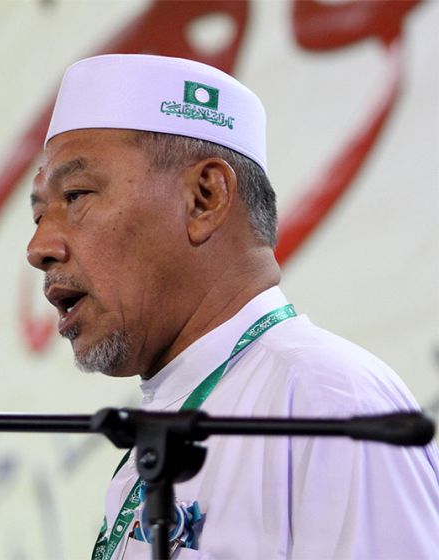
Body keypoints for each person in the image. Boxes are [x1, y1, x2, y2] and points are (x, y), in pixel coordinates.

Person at [27, 54, 439, 559]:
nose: (39, 247)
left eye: (76, 194)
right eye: (38, 215)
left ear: (204, 198)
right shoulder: (171, 414)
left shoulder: (325, 402)